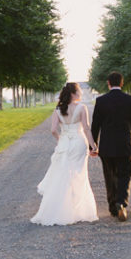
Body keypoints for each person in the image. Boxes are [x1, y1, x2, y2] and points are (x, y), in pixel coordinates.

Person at [30, 82, 100, 226]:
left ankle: (60, 209)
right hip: (79, 143)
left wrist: (61, 140)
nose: (80, 94)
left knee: (63, 174)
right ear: (74, 94)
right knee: (79, 175)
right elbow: (86, 129)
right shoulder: (81, 108)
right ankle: (78, 209)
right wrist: (93, 146)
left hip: (65, 144)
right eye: (79, 92)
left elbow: (53, 130)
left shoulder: (58, 109)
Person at [89, 70, 131, 221]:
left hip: (107, 146)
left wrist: (93, 145)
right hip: (125, 144)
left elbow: (95, 125)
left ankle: (112, 207)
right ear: (122, 83)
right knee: (125, 174)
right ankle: (121, 202)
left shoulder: (101, 101)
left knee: (109, 175)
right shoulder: (130, 100)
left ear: (108, 83)